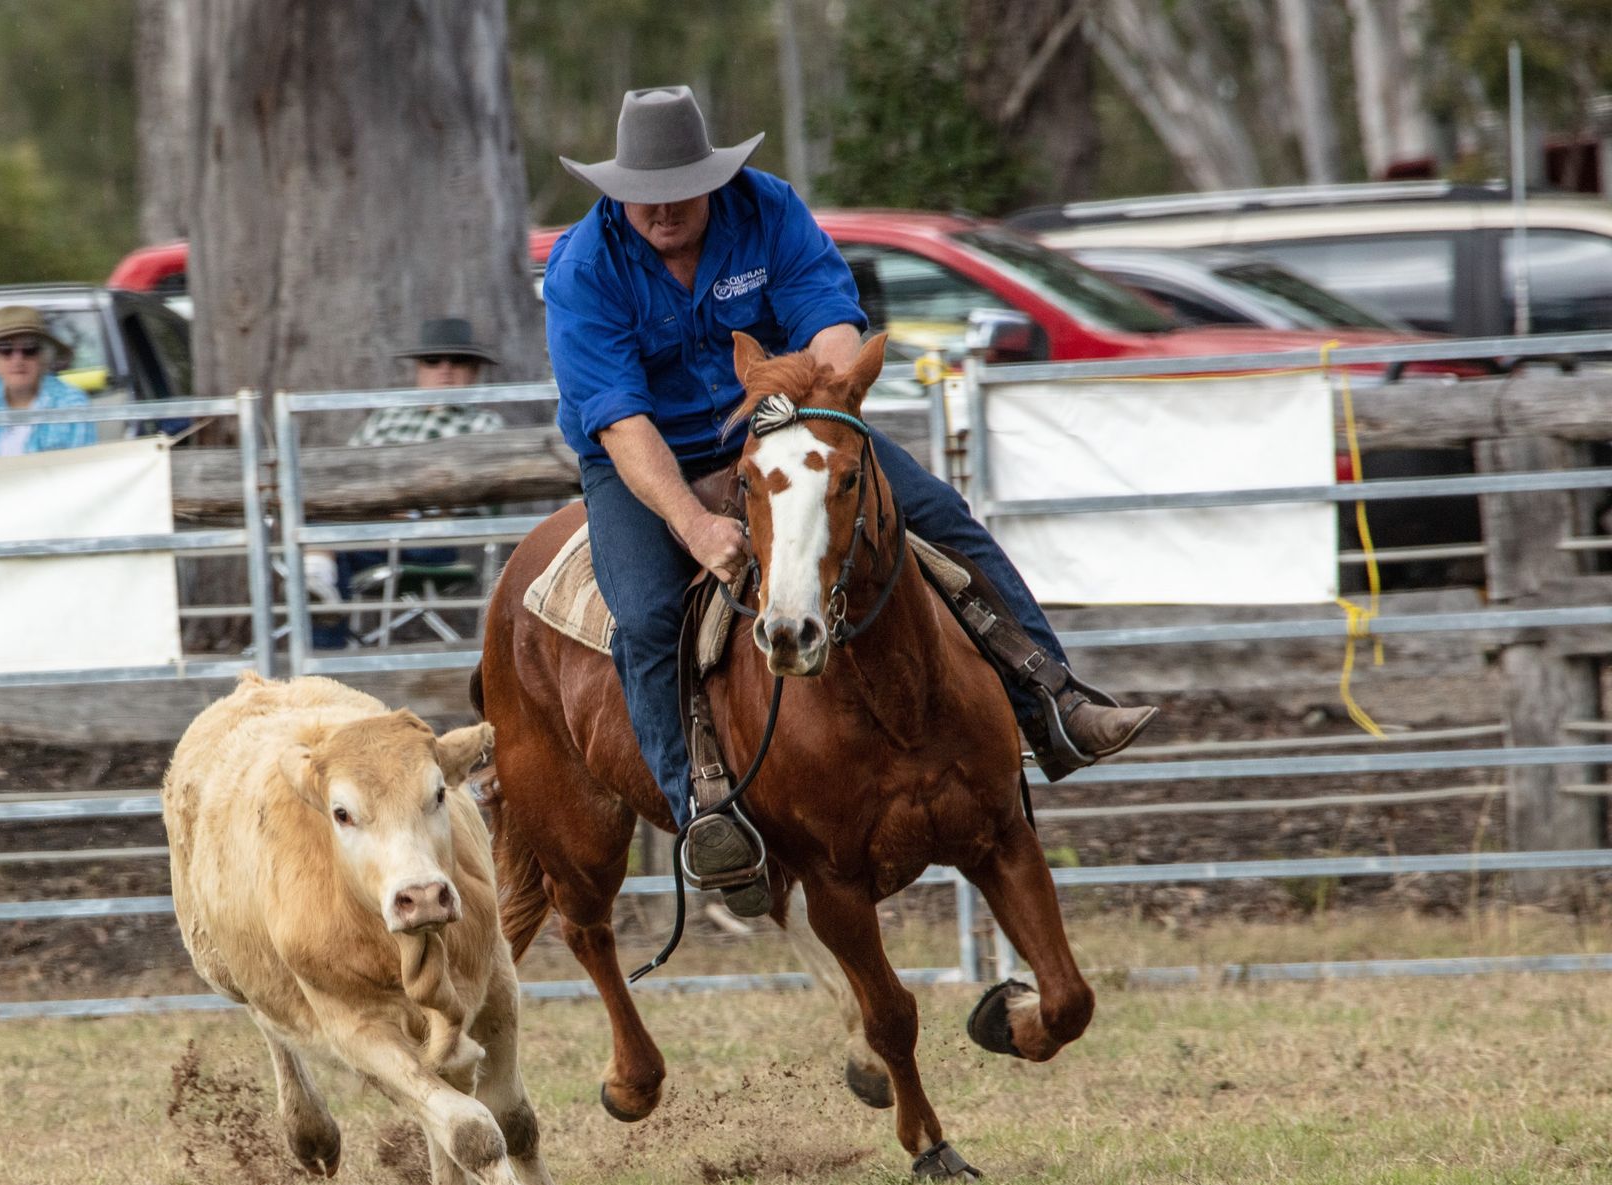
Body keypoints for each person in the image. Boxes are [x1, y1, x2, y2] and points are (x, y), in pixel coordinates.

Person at [543, 86, 1157, 916]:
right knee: (649, 614)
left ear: (711, 179)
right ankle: (703, 809)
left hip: (786, 421)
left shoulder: (767, 210)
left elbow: (832, 320)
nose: (662, 210)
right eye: (643, 195)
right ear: (619, 193)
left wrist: (827, 412)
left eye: (680, 190)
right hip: (645, 454)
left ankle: (1053, 697)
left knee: (936, 515)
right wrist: (693, 525)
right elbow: (619, 419)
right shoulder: (585, 266)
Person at [305, 317, 503, 648]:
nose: (445, 370)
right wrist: (374, 508)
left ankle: (322, 632)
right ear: (418, 370)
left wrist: (411, 508)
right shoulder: (386, 418)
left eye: (457, 360)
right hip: (365, 527)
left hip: (430, 535)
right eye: (432, 361)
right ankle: (324, 638)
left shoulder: (485, 425)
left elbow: (478, 496)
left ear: (474, 371)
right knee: (321, 538)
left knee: (320, 549)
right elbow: (344, 472)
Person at [0, 306, 97, 459]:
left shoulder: (71, 402)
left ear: (45, 358)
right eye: (5, 349)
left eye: (30, 349)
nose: (18, 359)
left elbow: (81, 468)